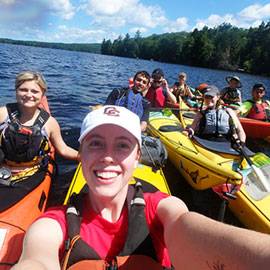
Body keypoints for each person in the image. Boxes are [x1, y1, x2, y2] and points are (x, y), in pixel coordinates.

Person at [12, 105, 270, 270]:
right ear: (82, 153)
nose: (108, 157)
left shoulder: (161, 210)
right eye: (96, 144)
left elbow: (189, 228)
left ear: (137, 157)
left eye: (123, 145)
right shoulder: (53, 224)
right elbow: (36, 259)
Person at [0, 71, 78, 175]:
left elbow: (63, 149)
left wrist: (84, 156)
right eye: (23, 90)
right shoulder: (3, 113)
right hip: (3, 167)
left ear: (42, 94)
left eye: (34, 91)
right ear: (16, 91)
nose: (29, 95)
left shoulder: (49, 123)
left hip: (31, 173)